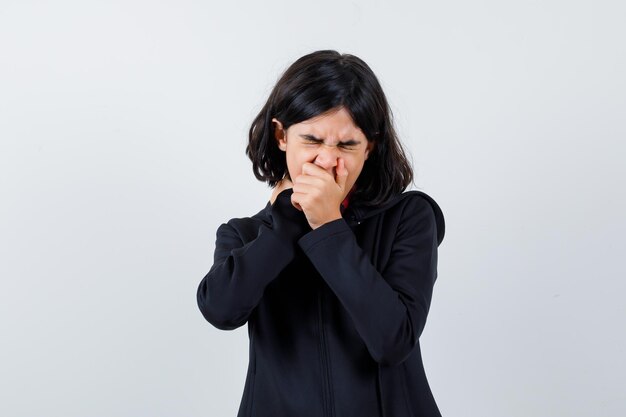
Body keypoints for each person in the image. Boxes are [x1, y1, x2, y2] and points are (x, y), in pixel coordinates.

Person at [197, 50, 446, 417]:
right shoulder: (247, 234)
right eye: (312, 140)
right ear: (281, 135)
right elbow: (220, 310)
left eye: (347, 145)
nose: (328, 161)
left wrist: (329, 225)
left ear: (370, 147)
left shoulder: (409, 218)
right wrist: (286, 223)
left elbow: (393, 341)